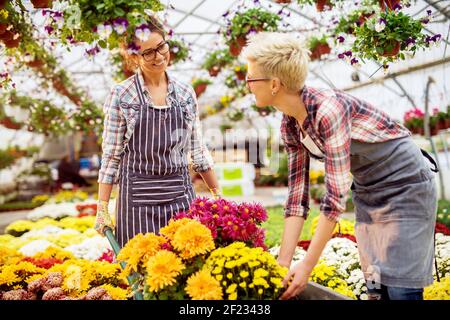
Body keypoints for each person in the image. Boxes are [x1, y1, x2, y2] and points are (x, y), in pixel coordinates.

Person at [241, 32, 438, 300]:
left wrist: (307, 266)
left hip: (406, 186)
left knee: (401, 288)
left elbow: (334, 199)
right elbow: (297, 198)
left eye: (250, 78)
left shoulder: (328, 110)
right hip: (369, 190)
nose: (247, 85)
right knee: (377, 285)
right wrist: (283, 264)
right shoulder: (289, 123)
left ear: (274, 84)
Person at [94, 15, 220, 248]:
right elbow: (111, 156)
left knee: (185, 268)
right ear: (134, 56)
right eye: (148, 52)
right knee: (141, 271)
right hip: (137, 201)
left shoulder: (184, 93)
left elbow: (197, 149)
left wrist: (217, 195)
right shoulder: (122, 95)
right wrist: (102, 207)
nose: (159, 56)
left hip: (180, 195)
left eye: (161, 47)